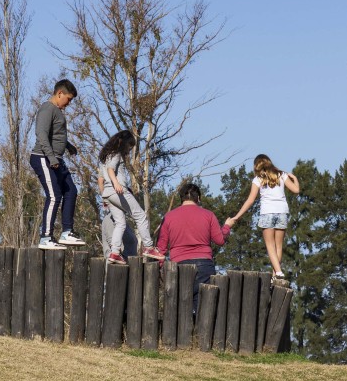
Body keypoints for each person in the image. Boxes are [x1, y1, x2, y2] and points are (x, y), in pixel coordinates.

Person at [225, 153, 300, 285]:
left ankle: (278, 272)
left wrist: (237, 216)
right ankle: (275, 274)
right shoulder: (282, 175)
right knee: (278, 246)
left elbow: (250, 200)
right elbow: (296, 190)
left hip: (267, 213)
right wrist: (294, 178)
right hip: (282, 212)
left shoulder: (257, 179)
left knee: (270, 245)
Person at [156, 181, 230, 310]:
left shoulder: (168, 217)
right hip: (204, 265)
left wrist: (158, 269)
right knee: (204, 309)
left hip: (178, 266)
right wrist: (227, 227)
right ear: (199, 198)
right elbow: (220, 240)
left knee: (180, 309)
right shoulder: (208, 215)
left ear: (181, 198)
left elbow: (161, 247)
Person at [30, 79, 85, 250]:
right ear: (59, 93)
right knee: (54, 195)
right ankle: (46, 236)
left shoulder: (57, 111)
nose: (69, 103)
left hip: (56, 159)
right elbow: (41, 134)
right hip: (43, 158)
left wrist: (68, 146)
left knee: (71, 191)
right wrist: (52, 158)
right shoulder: (47, 109)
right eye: (68, 99)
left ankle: (67, 232)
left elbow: (57, 135)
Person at [99, 130, 164, 264]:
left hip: (108, 194)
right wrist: (116, 183)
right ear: (122, 142)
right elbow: (111, 169)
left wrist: (105, 197)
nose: (128, 150)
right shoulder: (116, 153)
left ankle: (115, 252)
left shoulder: (107, 155)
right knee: (140, 215)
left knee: (120, 223)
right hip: (118, 191)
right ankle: (148, 247)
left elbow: (102, 176)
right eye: (129, 146)